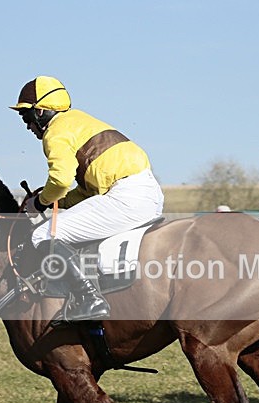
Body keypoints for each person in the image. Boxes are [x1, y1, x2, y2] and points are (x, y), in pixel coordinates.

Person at [11, 76, 165, 321]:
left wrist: (39, 203)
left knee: (42, 234)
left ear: (40, 111)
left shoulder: (56, 132)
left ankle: (88, 297)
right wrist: (51, 201)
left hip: (125, 197)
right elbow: (84, 193)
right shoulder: (81, 121)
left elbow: (61, 180)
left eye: (26, 116)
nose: (27, 125)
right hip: (148, 193)